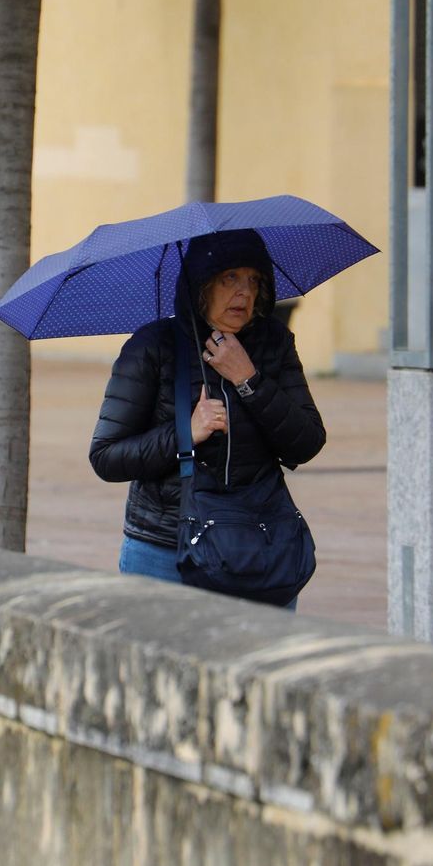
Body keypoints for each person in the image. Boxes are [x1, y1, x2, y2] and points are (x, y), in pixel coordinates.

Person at [89, 229, 326, 604]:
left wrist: (248, 379)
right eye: (229, 278)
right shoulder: (153, 346)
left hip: (260, 544)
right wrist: (187, 431)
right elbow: (106, 456)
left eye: (254, 280)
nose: (244, 292)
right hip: (166, 550)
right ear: (200, 286)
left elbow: (307, 441)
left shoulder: (273, 343)